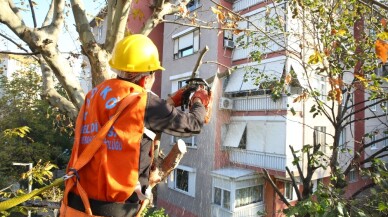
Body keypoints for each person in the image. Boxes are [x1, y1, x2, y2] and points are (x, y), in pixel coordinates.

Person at [63, 34, 210, 216]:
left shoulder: (94, 95)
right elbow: (193, 124)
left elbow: (125, 122)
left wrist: (170, 102)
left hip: (76, 203)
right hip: (114, 209)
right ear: (145, 79)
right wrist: (199, 101)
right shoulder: (145, 101)